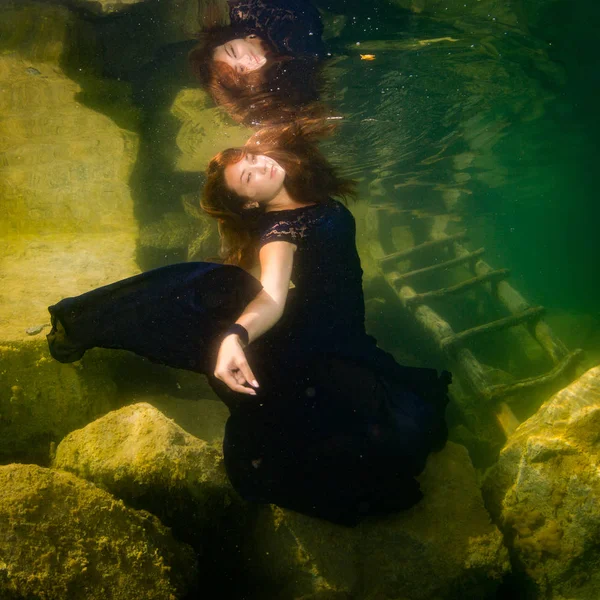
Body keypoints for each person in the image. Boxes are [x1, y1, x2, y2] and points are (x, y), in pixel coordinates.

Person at [47, 130, 450, 526]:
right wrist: (236, 336)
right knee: (393, 437)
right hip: (320, 341)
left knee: (403, 420)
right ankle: (85, 323)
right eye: (247, 177)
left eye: (253, 159)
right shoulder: (278, 233)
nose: (260, 166)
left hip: (344, 331)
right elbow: (272, 296)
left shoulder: (305, 192)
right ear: (250, 203)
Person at [188, 0, 327, 125]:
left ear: (229, 39)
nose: (244, 58)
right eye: (241, 69)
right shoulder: (301, 58)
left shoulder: (244, 11)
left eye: (233, 51)